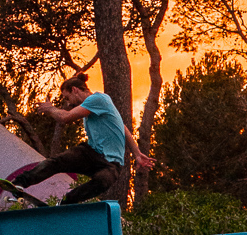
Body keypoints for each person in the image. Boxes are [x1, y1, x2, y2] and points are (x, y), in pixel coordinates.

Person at [8, 71, 154, 204]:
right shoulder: (94, 108)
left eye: (67, 97)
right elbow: (123, 127)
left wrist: (50, 109)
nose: (68, 103)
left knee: (102, 181)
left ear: (75, 90)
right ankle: (20, 182)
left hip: (111, 163)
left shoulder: (98, 99)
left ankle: (67, 202)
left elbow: (65, 118)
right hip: (91, 154)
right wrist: (137, 154)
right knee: (58, 161)